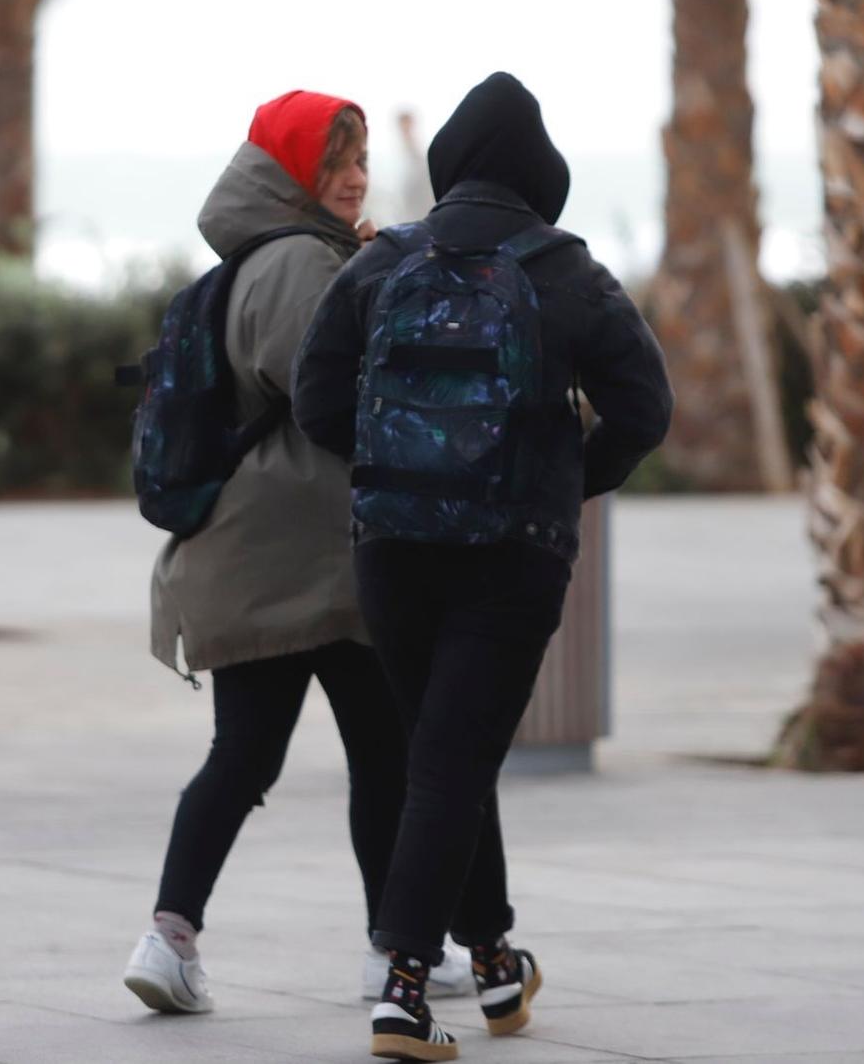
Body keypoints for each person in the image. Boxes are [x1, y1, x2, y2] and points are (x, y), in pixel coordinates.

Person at [293, 73, 673, 1061]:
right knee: (451, 760)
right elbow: (644, 408)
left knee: (442, 752)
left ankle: (495, 958)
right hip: (511, 557)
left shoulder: (380, 267)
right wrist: (564, 484)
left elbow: (313, 399)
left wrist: (393, 468)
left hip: (393, 548)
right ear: (539, 173)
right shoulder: (563, 271)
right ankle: (405, 988)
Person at [124, 90, 475, 1016]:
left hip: (277, 560)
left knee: (265, 755)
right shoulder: (292, 265)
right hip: (308, 558)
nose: (354, 176)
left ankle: (173, 939)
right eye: (333, 163)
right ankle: (387, 950)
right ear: (290, 177)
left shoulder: (301, 255)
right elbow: (332, 391)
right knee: (366, 756)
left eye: (356, 158)